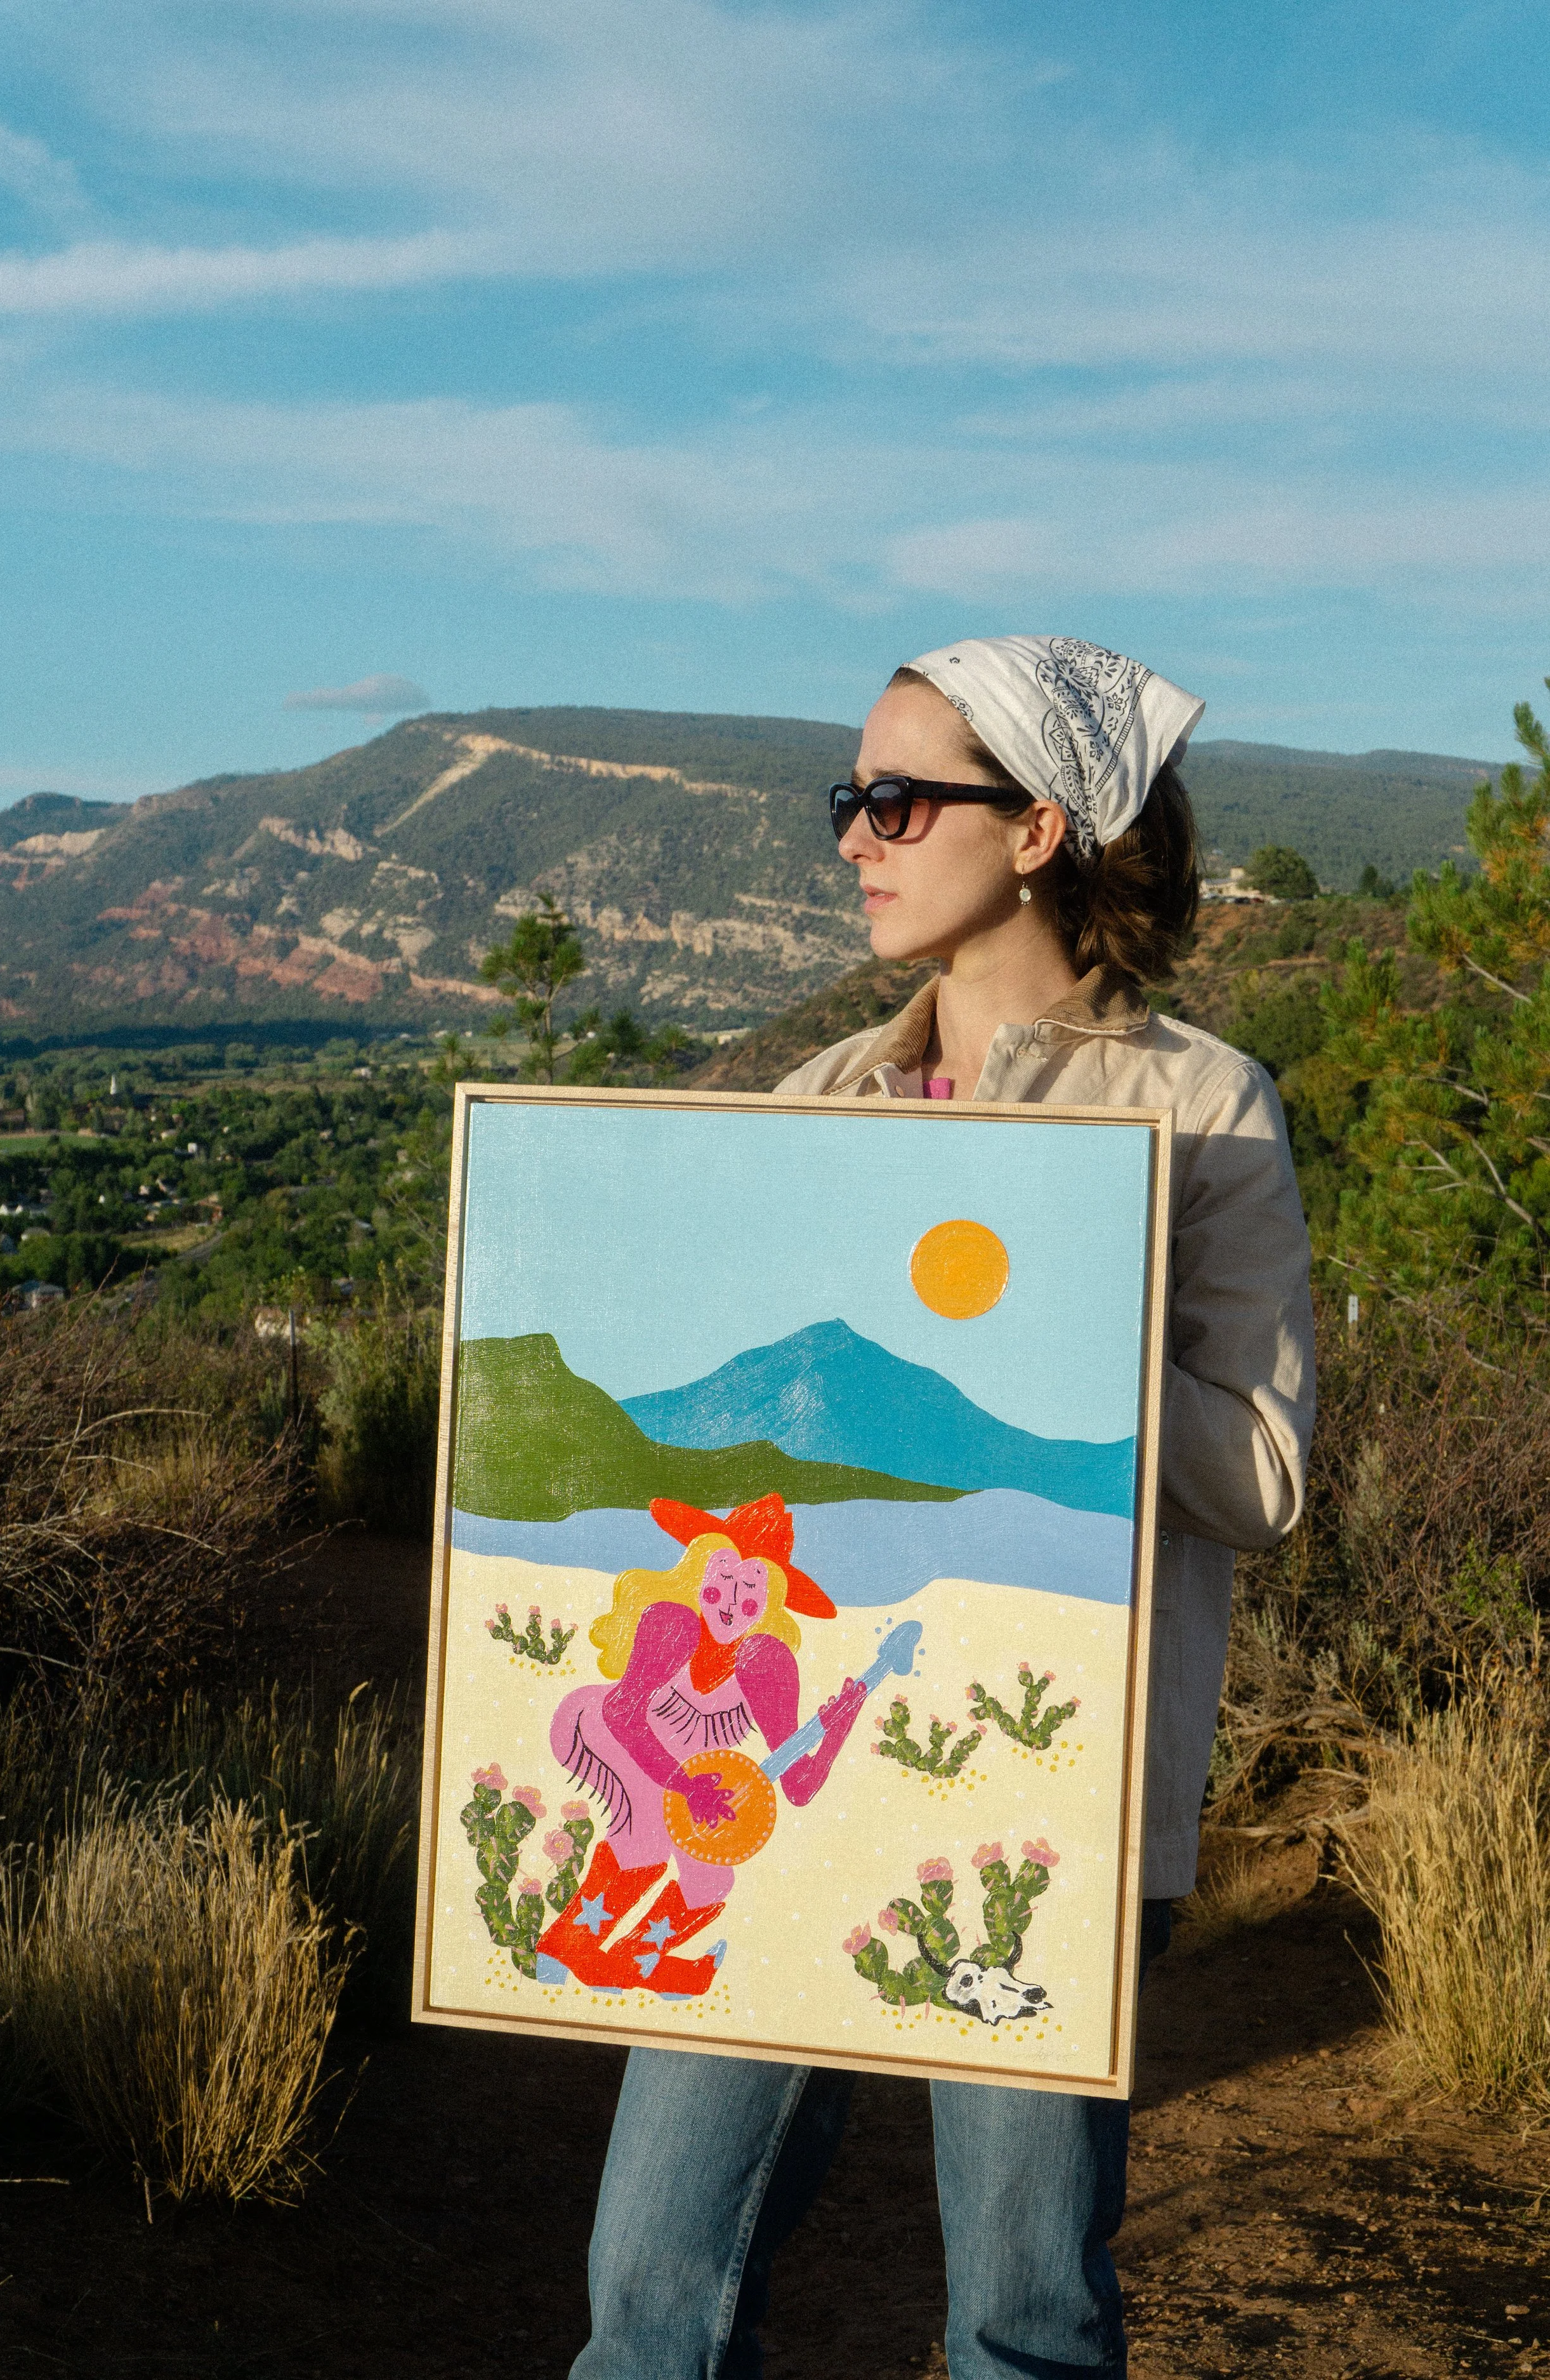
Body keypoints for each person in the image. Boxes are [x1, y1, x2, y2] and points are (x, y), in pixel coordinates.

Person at [568, 633, 1316, 2380]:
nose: (854, 835)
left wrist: (1056, 1309)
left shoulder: (1199, 1108)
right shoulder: (817, 1100)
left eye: (896, 798)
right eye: (851, 800)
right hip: (766, 1777)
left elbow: (1262, 1479)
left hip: (1040, 1788)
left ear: (1040, 826)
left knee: (1021, 2314)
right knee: (647, 2292)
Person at [538, 1493, 867, 1997]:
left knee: (709, 1883)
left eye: (751, 1590)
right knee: (645, 1837)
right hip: (612, 1734)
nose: (733, 1603)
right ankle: (596, 1957)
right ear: (698, 1573)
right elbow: (624, 1713)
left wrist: (836, 1731)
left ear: (771, 1602)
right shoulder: (672, 1623)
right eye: (722, 1579)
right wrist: (685, 1787)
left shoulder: (767, 1662)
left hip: (697, 1777)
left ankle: (599, 1959)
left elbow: (797, 1787)